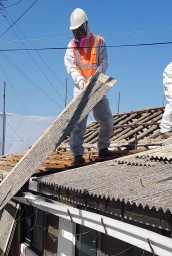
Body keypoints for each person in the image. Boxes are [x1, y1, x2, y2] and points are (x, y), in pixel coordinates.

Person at [65, 8, 114, 165]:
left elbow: (104, 62)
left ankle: (103, 147)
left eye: (79, 30)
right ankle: (77, 154)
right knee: (77, 123)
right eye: (75, 31)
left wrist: (95, 77)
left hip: (97, 86)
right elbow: (70, 66)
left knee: (107, 119)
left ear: (85, 26)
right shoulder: (71, 46)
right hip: (80, 89)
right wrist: (80, 80)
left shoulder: (99, 41)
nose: (77, 34)